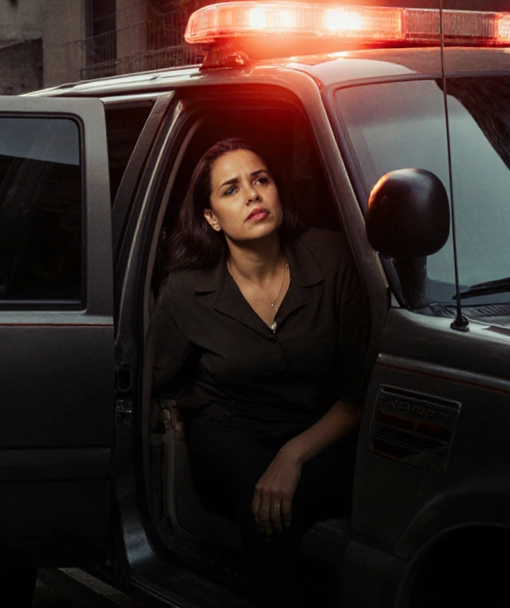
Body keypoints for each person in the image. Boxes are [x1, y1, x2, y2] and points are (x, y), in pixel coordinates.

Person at [147, 138, 370, 607]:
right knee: (262, 502)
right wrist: (174, 416)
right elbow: (159, 379)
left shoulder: (334, 259)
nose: (252, 195)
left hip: (324, 430)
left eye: (260, 180)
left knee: (296, 495)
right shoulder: (186, 291)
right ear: (210, 218)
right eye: (231, 189)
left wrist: (292, 455)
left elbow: (357, 395)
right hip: (230, 428)